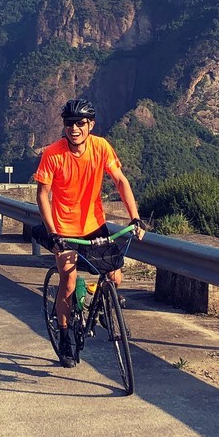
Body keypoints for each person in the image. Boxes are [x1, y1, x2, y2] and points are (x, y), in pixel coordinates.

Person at [33, 98, 144, 368]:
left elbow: (120, 180)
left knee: (115, 275)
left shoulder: (101, 146)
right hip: (64, 229)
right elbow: (42, 194)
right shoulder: (53, 153)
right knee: (68, 284)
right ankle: (64, 337)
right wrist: (53, 233)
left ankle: (106, 307)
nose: (74, 128)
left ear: (90, 125)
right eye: (69, 123)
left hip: (94, 224)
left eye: (80, 123)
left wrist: (135, 217)